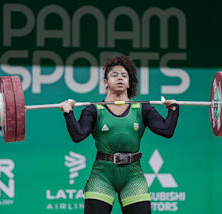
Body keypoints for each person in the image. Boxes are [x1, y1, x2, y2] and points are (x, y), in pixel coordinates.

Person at [60, 55, 180, 214]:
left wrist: (173, 109)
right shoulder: (93, 109)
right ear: (105, 82)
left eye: (124, 75)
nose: (120, 78)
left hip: (133, 176)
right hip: (102, 175)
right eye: (114, 75)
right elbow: (78, 135)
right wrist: (68, 112)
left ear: (129, 82)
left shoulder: (143, 109)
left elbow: (167, 130)